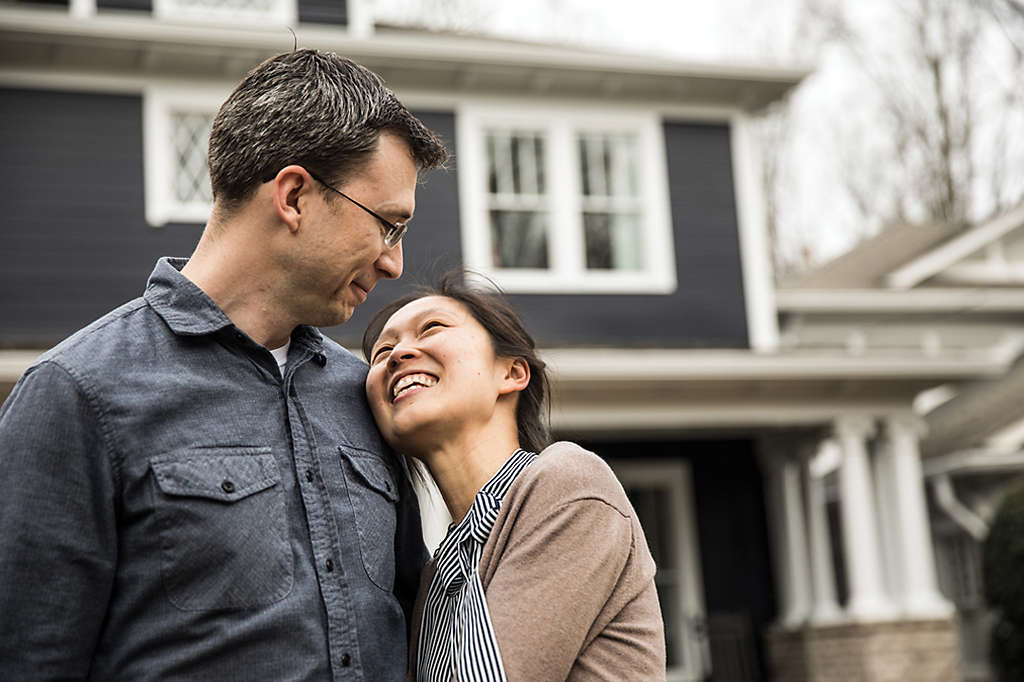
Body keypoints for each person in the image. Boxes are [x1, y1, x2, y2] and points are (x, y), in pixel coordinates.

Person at [0, 49, 448, 680]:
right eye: (388, 226)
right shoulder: (78, 394)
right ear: (294, 196)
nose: (393, 263)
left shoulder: (364, 393)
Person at [362, 274, 667, 681]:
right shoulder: (436, 577)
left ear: (512, 373)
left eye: (431, 328)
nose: (398, 354)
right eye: (383, 351)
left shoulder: (570, 485)